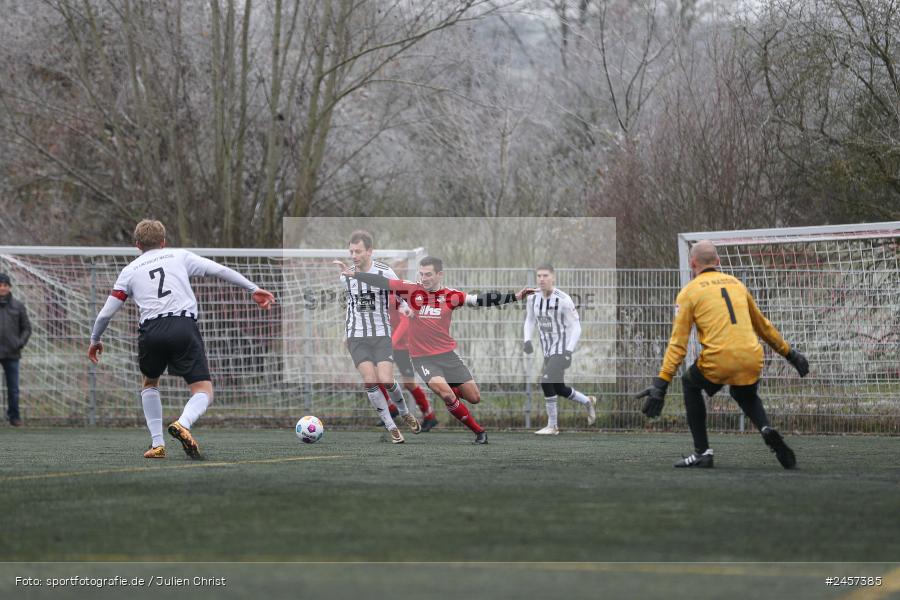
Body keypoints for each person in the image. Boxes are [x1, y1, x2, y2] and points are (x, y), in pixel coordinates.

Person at [88, 220, 275, 459]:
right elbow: (219, 270)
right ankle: (183, 423)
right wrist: (253, 289)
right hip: (182, 325)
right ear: (164, 242)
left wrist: (95, 339)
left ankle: (157, 444)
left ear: (137, 245)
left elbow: (106, 312)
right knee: (203, 389)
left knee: (149, 383)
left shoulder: (130, 270)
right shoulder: (179, 256)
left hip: (151, 330)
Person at [636, 241, 809, 469]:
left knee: (689, 383)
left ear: (692, 264)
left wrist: (661, 383)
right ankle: (766, 428)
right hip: (751, 356)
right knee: (744, 394)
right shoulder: (737, 284)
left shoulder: (688, 292)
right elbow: (763, 326)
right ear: (718, 262)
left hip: (719, 359)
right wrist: (790, 354)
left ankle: (702, 452)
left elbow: (678, 344)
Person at [336, 256, 535, 444]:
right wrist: (355, 274)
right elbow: (383, 282)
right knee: (447, 395)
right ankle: (479, 431)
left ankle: (450, 389)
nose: (424, 278)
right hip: (423, 359)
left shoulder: (451, 296)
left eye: (428, 274)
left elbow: (481, 300)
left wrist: (515, 296)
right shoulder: (411, 290)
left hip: (448, 356)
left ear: (440, 274)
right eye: (421, 274)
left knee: (474, 397)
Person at [341, 230, 419, 443]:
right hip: (356, 336)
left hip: (381, 334)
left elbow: (400, 292)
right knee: (370, 380)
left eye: (358, 251)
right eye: (351, 251)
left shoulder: (385, 272)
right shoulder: (346, 276)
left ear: (369, 251)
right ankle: (391, 426)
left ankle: (404, 413)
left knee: (385, 379)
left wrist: (405, 308)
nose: (354, 255)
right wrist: (345, 333)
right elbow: (350, 306)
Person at [523, 265, 596, 434]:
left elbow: (576, 327)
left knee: (546, 381)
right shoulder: (532, 297)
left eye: (545, 276)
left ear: (553, 278)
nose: (541, 279)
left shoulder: (563, 299)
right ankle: (588, 401)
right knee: (558, 388)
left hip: (562, 348)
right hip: (547, 350)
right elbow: (530, 320)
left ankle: (553, 426)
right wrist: (527, 340)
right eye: (539, 276)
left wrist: (568, 351)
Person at [0, 273, 31, 427]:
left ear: (9, 287)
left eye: (5, 285)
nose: (2, 288)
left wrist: (19, 343)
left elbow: (27, 328)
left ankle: (14, 417)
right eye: (0, 285)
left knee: (13, 389)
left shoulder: (18, 306)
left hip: (12, 353)